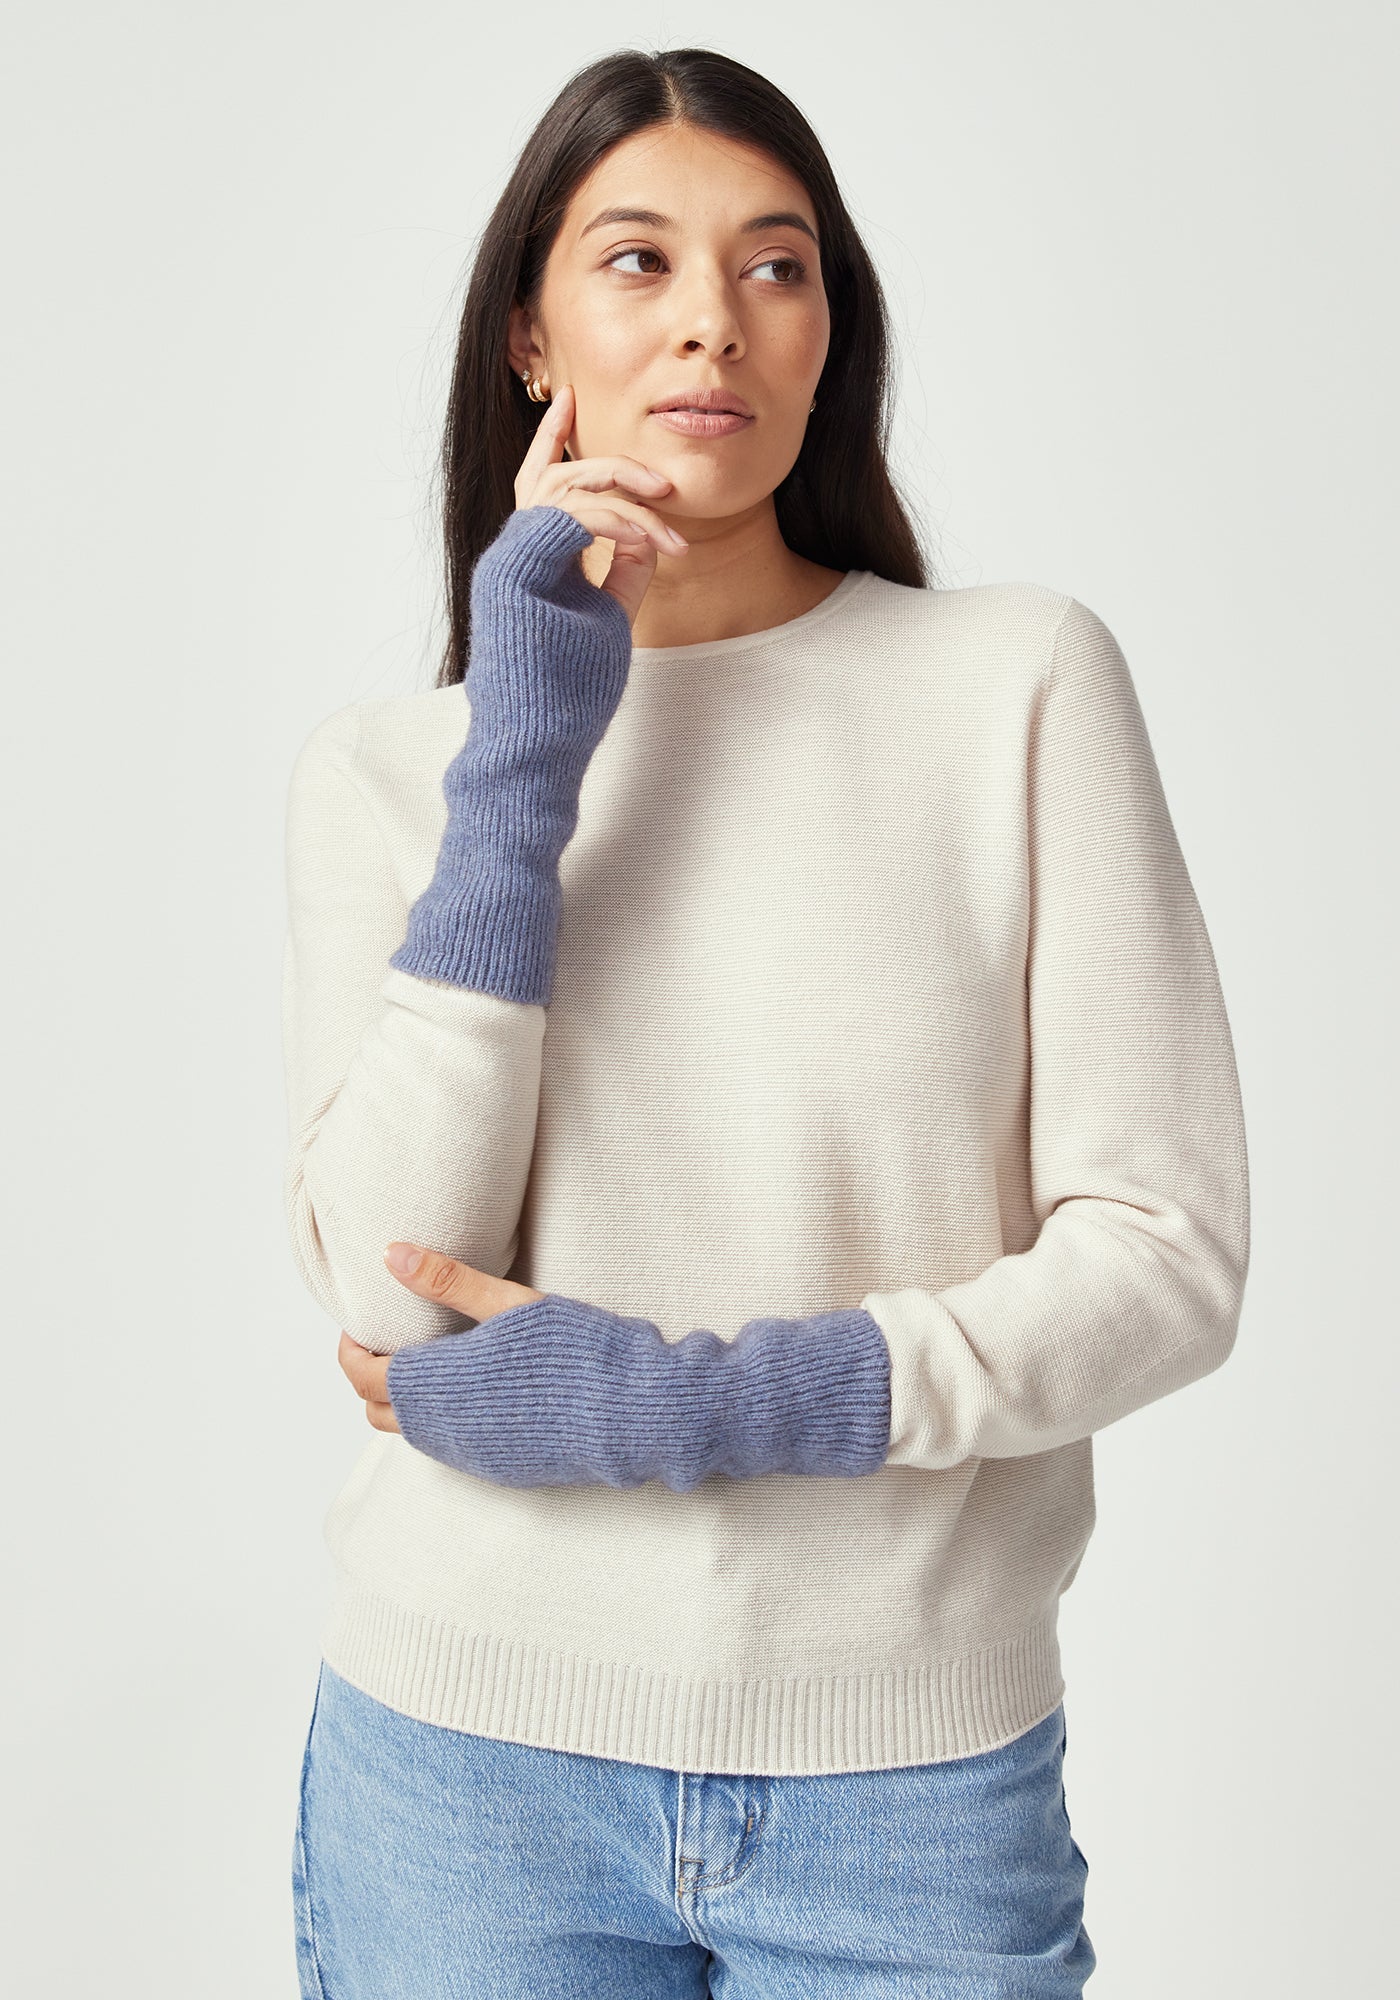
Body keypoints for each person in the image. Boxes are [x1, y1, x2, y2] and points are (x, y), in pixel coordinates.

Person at [282, 44, 1249, 2000]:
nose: (712, 318)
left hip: (910, 1783)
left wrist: (697, 1403)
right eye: (637, 259)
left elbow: (1166, 1261)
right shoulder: (390, 772)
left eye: (776, 264)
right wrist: (525, 748)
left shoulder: (1017, 686)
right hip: (463, 1770)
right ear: (530, 340)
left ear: (826, 337)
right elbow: (389, 1301)